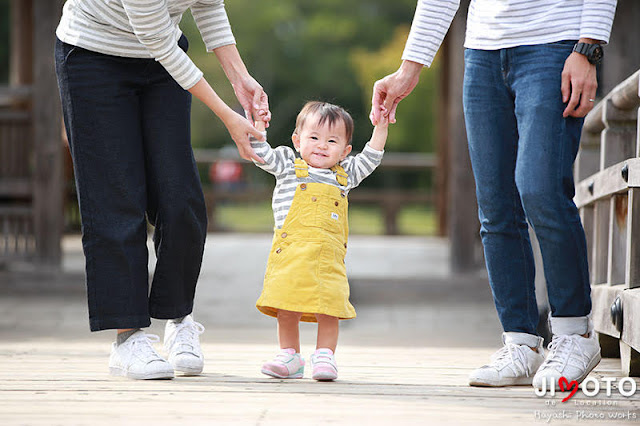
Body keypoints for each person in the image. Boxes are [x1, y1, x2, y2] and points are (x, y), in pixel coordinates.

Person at [370, 0, 617, 388]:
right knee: (496, 207)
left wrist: (588, 47)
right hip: (483, 51)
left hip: (556, 43)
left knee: (540, 189)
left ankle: (575, 334)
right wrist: (409, 68)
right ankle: (521, 342)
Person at [54, 0, 270, 380]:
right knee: (116, 200)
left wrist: (241, 78)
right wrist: (228, 116)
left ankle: (178, 317)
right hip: (92, 55)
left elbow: (208, 5)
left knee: (181, 197)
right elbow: (158, 41)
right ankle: (128, 338)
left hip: (161, 59)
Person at [250, 101, 388, 381]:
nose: (322, 146)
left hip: (328, 259)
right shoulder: (288, 165)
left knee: (330, 307)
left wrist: (381, 126)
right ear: (297, 140)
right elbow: (260, 154)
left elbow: (372, 156)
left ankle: (325, 354)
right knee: (286, 306)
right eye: (314, 138)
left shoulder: (345, 175)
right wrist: (258, 127)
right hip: (290, 256)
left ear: (345, 150)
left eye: (332, 141)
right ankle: (289, 355)